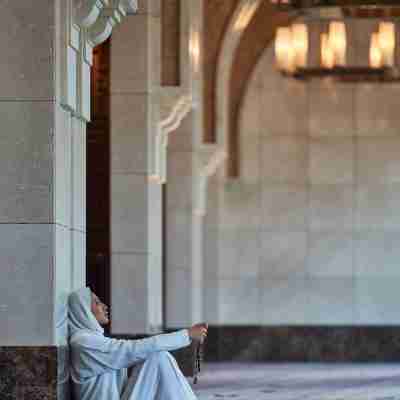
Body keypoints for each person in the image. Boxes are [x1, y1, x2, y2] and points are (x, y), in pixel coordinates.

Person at [68, 287, 208, 400]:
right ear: (83, 311)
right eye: (97, 302)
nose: (104, 306)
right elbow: (131, 350)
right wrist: (187, 334)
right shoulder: (84, 343)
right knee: (159, 357)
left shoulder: (90, 338)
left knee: (158, 357)